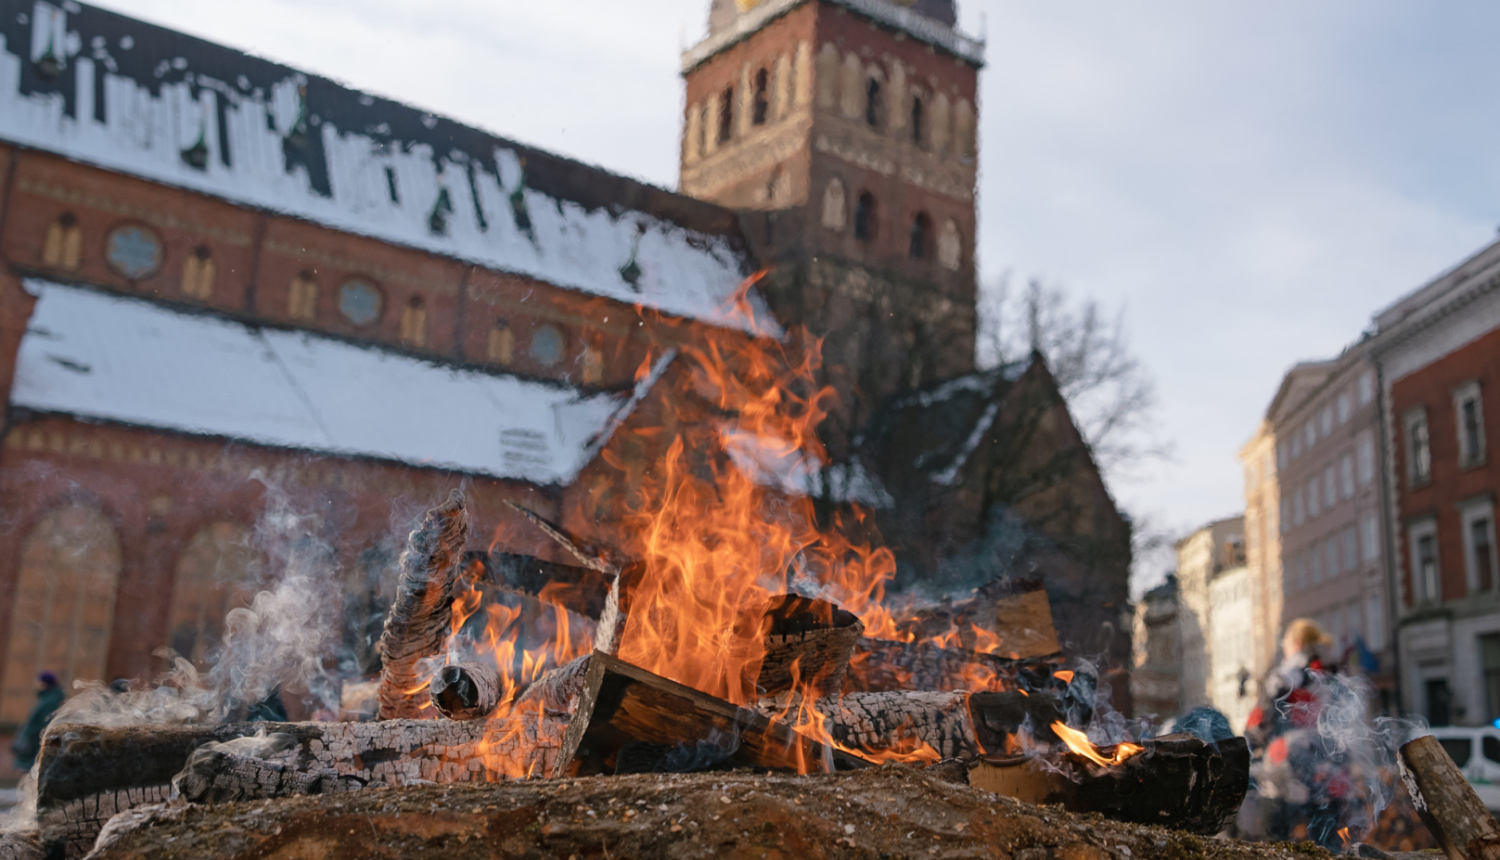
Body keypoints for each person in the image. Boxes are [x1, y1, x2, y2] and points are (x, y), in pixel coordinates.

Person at [1245, 618, 1348, 848]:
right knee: (1329, 846)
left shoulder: (1285, 677)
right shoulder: (1339, 677)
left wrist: (1245, 749)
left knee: (1276, 845)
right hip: (1330, 776)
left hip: (1285, 772)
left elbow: (1258, 724)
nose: (1283, 648)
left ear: (1297, 643)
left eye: (1285, 643)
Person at [11, 671, 65, 771]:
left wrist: (29, 735)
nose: (36, 684)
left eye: (38, 681)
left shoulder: (50, 701)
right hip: (33, 741)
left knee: (33, 769)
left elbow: (44, 723)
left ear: (44, 683)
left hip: (35, 742)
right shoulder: (45, 699)